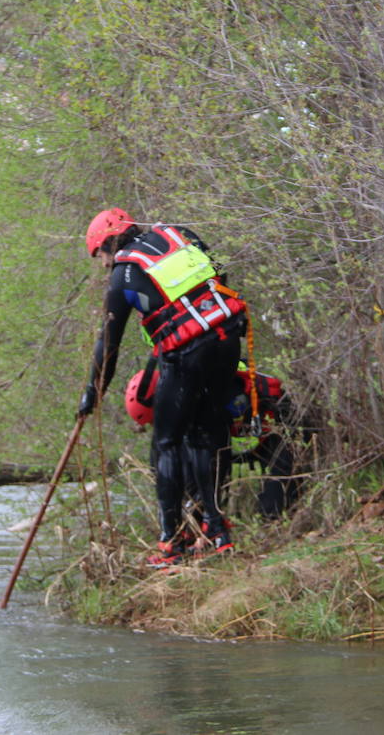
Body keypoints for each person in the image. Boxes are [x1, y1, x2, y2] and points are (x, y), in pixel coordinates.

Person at [76, 209, 247, 567]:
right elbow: (219, 274)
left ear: (109, 243)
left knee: (167, 441)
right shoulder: (180, 233)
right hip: (227, 339)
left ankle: (171, 540)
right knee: (207, 432)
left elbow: (109, 343)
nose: (104, 264)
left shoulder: (124, 273)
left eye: (101, 256)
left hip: (188, 354)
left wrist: (93, 391)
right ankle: (217, 531)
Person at [125, 358, 303, 520]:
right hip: (244, 435)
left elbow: (219, 454)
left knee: (273, 508)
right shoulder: (181, 397)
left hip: (280, 427)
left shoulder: (211, 393)